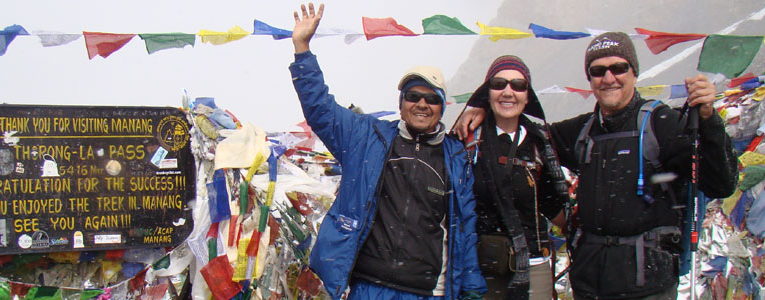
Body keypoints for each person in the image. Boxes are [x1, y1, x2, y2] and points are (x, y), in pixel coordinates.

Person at [455, 32, 737, 299]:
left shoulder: (662, 125)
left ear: (634, 73)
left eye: (618, 67)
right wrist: (484, 108)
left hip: (648, 284)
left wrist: (710, 121)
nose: (608, 78)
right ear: (590, 79)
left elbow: (720, 184)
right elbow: (526, 135)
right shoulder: (581, 131)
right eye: (598, 71)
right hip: (590, 282)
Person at [290, 3, 487, 300]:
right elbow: (320, 109)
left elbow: (465, 229)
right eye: (413, 96)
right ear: (401, 103)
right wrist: (302, 48)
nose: (422, 104)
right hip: (368, 287)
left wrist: (472, 288)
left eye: (431, 99)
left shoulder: (455, 160)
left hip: (426, 292)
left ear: (442, 107)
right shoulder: (366, 138)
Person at [463, 55, 570, 300]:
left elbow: (549, 202)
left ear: (528, 95)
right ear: (487, 92)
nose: (508, 92)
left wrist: (585, 225)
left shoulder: (541, 143)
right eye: (499, 84)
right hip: (481, 267)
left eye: (518, 85)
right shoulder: (468, 141)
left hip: (533, 263)